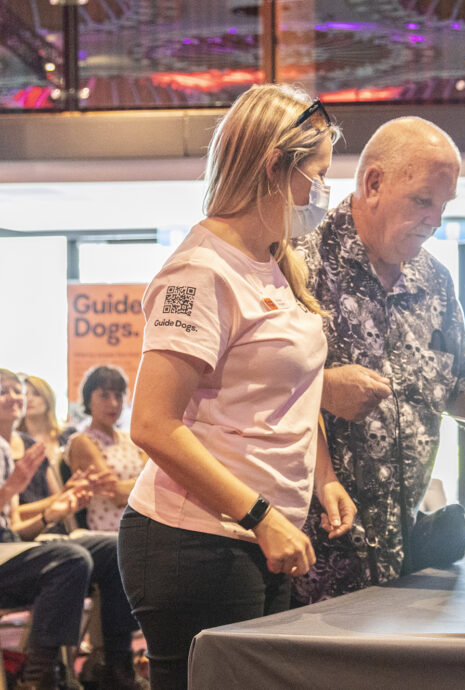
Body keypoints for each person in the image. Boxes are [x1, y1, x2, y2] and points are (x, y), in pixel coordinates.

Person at [119, 84, 357, 690]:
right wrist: (259, 516)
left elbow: (294, 389)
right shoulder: (199, 272)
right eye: (318, 174)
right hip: (194, 542)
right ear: (276, 167)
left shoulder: (273, 260)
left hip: (254, 535)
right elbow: (151, 425)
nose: (322, 193)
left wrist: (323, 477)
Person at [292, 116, 465, 604]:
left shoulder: (433, 279)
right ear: (373, 183)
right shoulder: (299, 261)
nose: (435, 219)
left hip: (402, 556)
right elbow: (251, 385)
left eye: (443, 205)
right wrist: (324, 387)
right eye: (422, 201)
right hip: (311, 560)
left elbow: (459, 382)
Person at [0, 370, 142, 690]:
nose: (13, 397)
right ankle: (39, 677)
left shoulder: (10, 449)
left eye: (16, 390)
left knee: (114, 549)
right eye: (2, 391)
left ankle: (114, 665)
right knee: (69, 557)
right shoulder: (78, 440)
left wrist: (53, 511)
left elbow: (16, 530)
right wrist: (12, 492)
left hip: (14, 545)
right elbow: (118, 491)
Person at [66, 366, 148, 532]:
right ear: (88, 399)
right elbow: (116, 495)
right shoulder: (82, 441)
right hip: (110, 529)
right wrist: (143, 486)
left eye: (118, 396)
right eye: (104, 396)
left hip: (143, 522)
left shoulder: (131, 438)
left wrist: (132, 487)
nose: (113, 403)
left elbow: (155, 482)